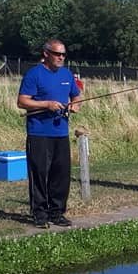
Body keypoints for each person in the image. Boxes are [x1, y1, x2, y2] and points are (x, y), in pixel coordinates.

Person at [17, 39, 82, 229]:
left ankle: (57, 212)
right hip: (39, 132)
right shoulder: (34, 74)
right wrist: (46, 104)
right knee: (39, 173)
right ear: (46, 53)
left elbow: (76, 95)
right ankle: (39, 214)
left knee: (61, 174)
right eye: (57, 54)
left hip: (61, 132)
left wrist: (75, 105)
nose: (61, 57)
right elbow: (22, 101)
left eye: (63, 54)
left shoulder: (66, 74)